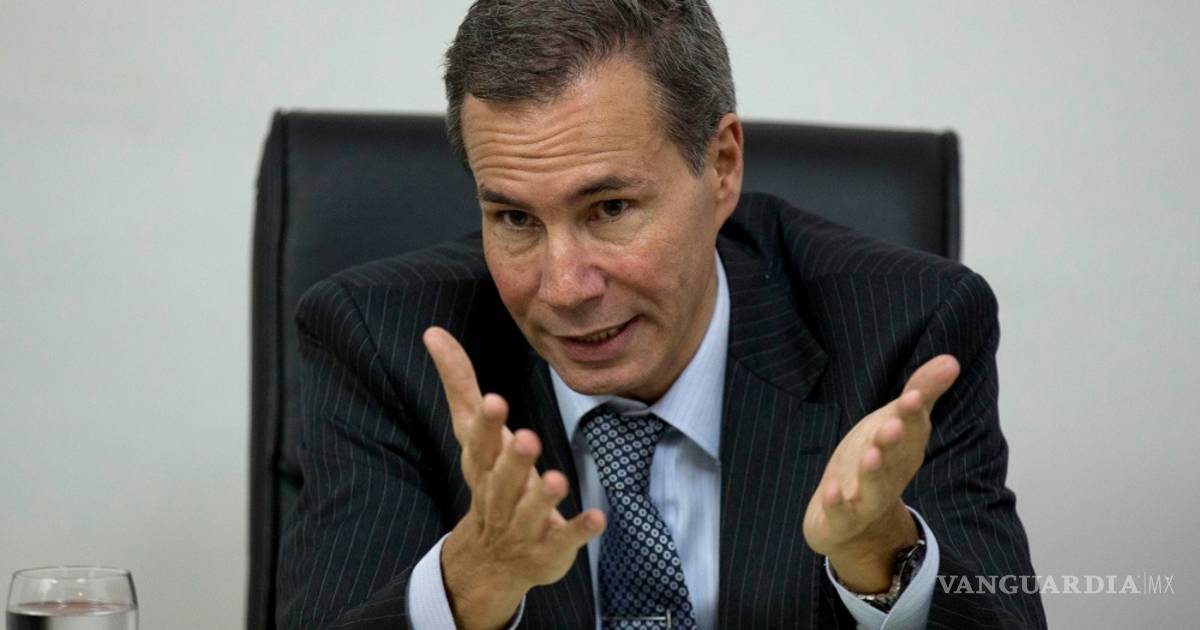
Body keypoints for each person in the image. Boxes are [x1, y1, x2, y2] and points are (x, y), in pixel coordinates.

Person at [277, 1, 1046, 629]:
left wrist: (882, 557)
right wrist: (471, 581)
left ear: (722, 167)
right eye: (514, 219)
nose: (565, 286)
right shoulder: (380, 343)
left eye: (610, 208)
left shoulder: (902, 329)